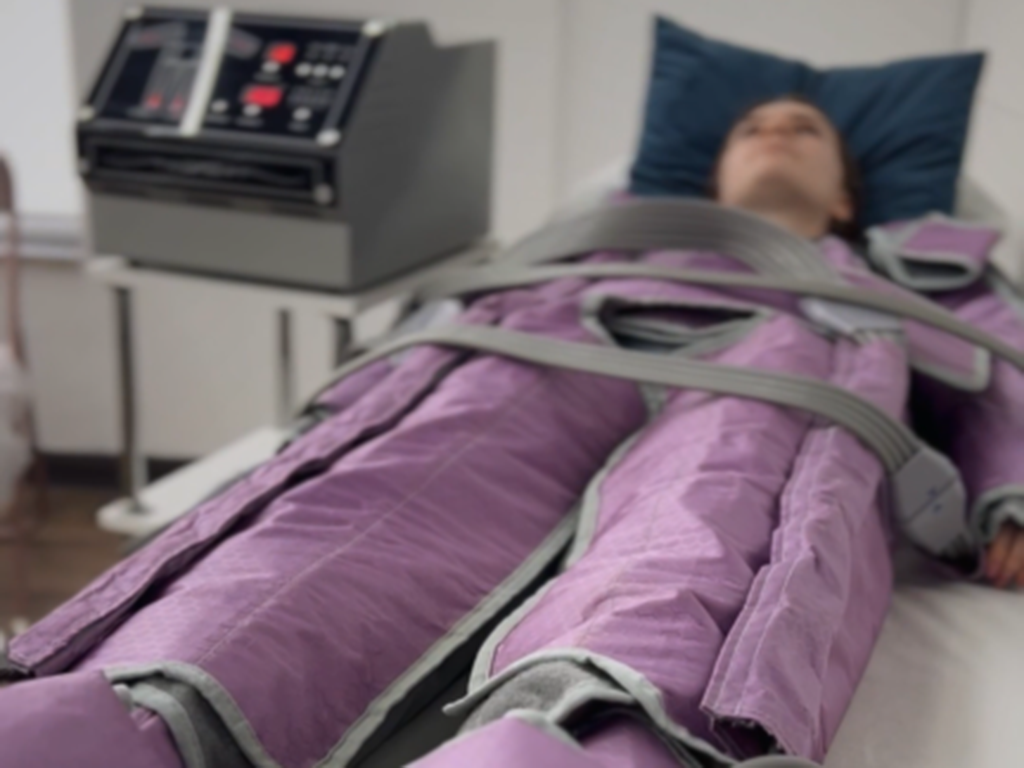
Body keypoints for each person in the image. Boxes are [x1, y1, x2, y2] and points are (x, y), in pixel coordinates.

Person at [709, 95, 1024, 588]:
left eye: (804, 128)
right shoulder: (615, 263)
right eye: (752, 129)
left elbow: (997, 379)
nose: (775, 133)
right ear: (716, 195)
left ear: (843, 200)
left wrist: (1013, 487)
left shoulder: (919, 276)